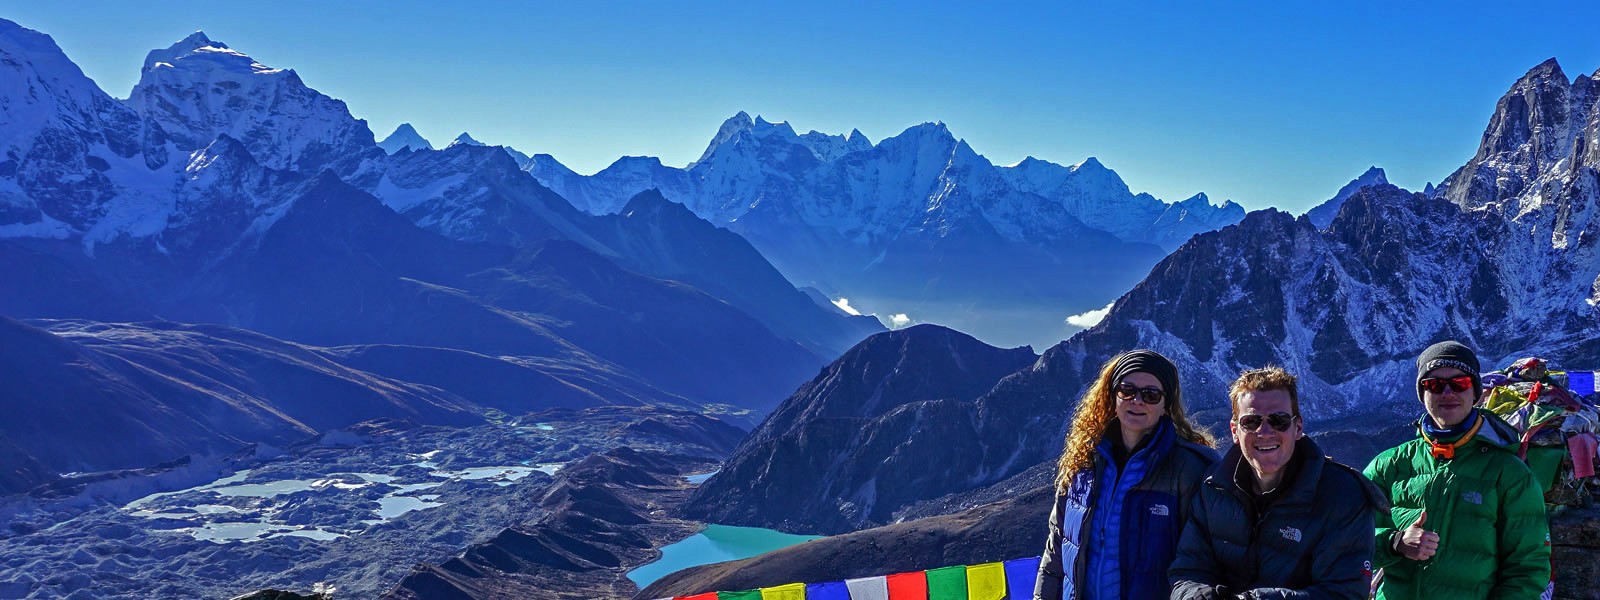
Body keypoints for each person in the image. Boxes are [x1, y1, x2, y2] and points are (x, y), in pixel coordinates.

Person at [1169, 366, 1386, 599]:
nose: (1264, 431)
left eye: (1278, 420)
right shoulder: (1214, 488)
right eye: (1251, 422)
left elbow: (1345, 593)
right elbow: (1188, 570)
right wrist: (1197, 596)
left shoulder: (1343, 495)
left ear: (1298, 427)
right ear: (1234, 431)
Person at [1362, 341, 1550, 599]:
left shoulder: (1509, 474)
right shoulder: (1388, 466)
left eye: (1459, 383)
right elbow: (1346, 540)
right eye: (1434, 385)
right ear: (1422, 393)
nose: (1447, 392)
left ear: (1474, 392)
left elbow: (1528, 567)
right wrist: (1395, 543)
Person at [1034, 350, 1217, 600]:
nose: (1137, 401)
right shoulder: (1084, 462)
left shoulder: (1189, 469)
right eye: (1127, 391)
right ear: (1113, 397)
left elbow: (1200, 563)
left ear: (1166, 405)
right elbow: (1055, 556)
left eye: (1151, 395)